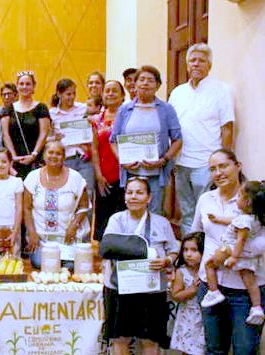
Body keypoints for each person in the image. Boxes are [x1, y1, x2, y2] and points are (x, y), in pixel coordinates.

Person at [186, 149, 265, 355]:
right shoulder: (206, 199)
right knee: (214, 349)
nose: (218, 173)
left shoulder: (253, 197)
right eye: (213, 169)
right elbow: (197, 233)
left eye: (223, 166)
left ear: (237, 166)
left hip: (246, 291)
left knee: (247, 353)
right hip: (212, 286)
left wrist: (235, 253)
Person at [101, 177, 179, 355]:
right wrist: (145, 253)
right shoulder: (117, 220)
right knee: (121, 336)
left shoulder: (161, 223)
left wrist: (166, 260)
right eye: (130, 192)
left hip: (152, 289)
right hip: (120, 287)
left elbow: (174, 250)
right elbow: (108, 248)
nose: (133, 197)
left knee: (150, 337)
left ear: (149, 197)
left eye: (139, 193)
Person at [169, 43, 235, 236]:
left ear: (209, 65)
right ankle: (190, 249)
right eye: (192, 60)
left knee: (207, 212)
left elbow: (227, 128)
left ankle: (206, 250)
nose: (196, 64)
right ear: (187, 64)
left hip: (206, 164)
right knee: (187, 213)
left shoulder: (221, 90)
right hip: (181, 163)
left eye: (201, 61)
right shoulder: (178, 92)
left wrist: (222, 161)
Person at [110, 65, 182, 215]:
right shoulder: (124, 110)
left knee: (154, 214)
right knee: (133, 213)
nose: (145, 83)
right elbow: (113, 140)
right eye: (141, 79)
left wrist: (164, 159)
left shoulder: (166, 109)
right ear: (135, 84)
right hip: (131, 173)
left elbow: (178, 140)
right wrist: (122, 160)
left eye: (150, 80)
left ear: (158, 85)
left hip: (156, 174)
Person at [201, 181, 265, 326]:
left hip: (230, 248)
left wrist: (234, 256)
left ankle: (213, 292)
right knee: (250, 280)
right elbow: (234, 221)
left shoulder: (243, 220)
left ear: (247, 201)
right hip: (249, 257)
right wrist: (218, 219)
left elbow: (241, 239)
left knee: (209, 264)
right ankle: (256, 307)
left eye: (239, 196)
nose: (237, 199)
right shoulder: (254, 218)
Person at [23, 140, 89, 268]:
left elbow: (84, 206)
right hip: (42, 237)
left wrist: (74, 225)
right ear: (44, 155)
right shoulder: (32, 177)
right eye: (50, 152)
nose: (54, 156)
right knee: (41, 263)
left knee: (69, 266)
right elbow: (26, 208)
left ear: (64, 157)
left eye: (58, 153)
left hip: (68, 237)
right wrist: (32, 233)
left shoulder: (76, 178)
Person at [170, 232, 205, 355]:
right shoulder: (181, 272)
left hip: (206, 318)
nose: (189, 254)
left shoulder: (209, 270)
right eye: (185, 250)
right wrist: (191, 290)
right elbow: (175, 295)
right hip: (188, 318)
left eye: (194, 250)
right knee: (188, 354)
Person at [91, 80, 126, 239]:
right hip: (104, 176)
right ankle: (103, 248)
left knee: (122, 214)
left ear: (122, 95)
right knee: (103, 216)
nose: (110, 94)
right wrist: (98, 175)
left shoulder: (127, 116)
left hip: (125, 174)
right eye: (107, 91)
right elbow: (94, 149)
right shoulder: (97, 120)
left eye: (114, 91)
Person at [1, 71, 51, 179]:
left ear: (34, 86)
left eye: (28, 84)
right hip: (15, 162)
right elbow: (5, 135)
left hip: (36, 159)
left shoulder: (41, 108)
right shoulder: (8, 109)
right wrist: (13, 156)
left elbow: (44, 133)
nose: (24, 87)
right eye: (21, 84)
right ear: (17, 86)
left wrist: (34, 154)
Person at [50, 78, 93, 194]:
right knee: (67, 193)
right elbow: (47, 139)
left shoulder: (83, 108)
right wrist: (55, 138)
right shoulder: (52, 114)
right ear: (59, 94)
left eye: (74, 93)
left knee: (87, 192)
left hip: (84, 158)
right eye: (68, 94)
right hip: (65, 159)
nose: (72, 97)